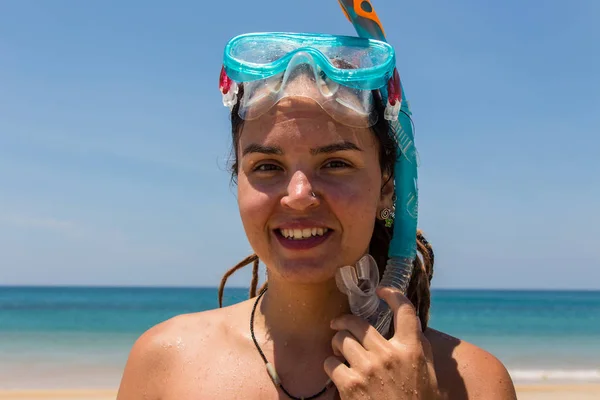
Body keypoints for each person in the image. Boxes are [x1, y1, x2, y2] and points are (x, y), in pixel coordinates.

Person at [117, 32, 517, 400]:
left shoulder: (473, 382)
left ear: (387, 188)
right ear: (236, 181)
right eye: (267, 167)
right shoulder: (166, 363)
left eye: (336, 163)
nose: (299, 196)